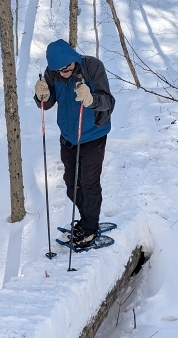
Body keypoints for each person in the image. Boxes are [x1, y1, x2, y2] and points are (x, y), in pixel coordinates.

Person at [34, 39, 115, 248]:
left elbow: (108, 101)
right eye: (58, 71)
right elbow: (48, 103)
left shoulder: (92, 66)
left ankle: (90, 229)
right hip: (68, 137)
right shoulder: (53, 73)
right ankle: (87, 217)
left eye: (66, 69)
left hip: (93, 136)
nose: (62, 73)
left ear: (73, 61)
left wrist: (91, 99)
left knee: (89, 184)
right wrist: (41, 95)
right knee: (71, 185)